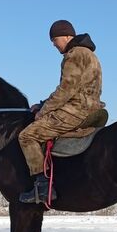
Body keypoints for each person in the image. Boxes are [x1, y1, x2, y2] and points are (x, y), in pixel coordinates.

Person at [18, 19, 104, 204]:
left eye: (54, 39)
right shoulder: (89, 54)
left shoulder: (74, 55)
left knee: (27, 136)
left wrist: (43, 110)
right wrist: (43, 104)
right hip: (92, 107)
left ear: (66, 36)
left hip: (75, 111)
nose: (53, 44)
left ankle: (41, 187)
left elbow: (66, 89)